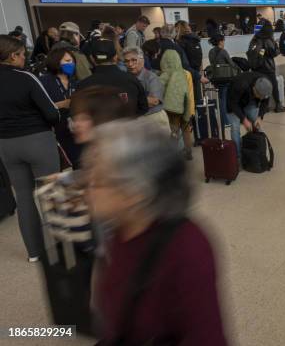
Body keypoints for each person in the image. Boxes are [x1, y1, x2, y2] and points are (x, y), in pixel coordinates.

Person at [84, 119, 227, 345]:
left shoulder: (187, 247)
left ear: (135, 192)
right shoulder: (121, 228)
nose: (87, 184)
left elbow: (207, 336)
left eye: (99, 179)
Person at [0, 35, 60, 261]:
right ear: (12, 56)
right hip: (37, 140)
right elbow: (52, 113)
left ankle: (34, 253)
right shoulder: (26, 78)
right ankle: (58, 251)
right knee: (51, 194)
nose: (25, 59)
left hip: (6, 145)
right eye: (22, 55)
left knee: (24, 197)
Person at [76, 38, 148, 117]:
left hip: (98, 128)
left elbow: (78, 114)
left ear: (92, 59)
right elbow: (143, 108)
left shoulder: (83, 85)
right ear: (115, 57)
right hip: (127, 127)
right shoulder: (132, 80)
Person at [39, 48, 81, 165]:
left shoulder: (74, 81)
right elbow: (39, 106)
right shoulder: (44, 81)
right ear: (56, 62)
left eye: (72, 61)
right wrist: (60, 104)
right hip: (56, 130)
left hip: (76, 128)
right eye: (67, 61)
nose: (71, 63)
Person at [227, 72, 272, 161]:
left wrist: (260, 117)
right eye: (260, 96)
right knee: (235, 128)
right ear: (254, 89)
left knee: (256, 124)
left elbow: (265, 102)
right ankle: (239, 158)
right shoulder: (240, 85)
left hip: (249, 100)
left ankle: (259, 151)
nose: (261, 99)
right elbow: (233, 104)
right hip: (233, 103)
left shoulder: (266, 84)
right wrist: (244, 120)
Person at [159, 50, 195, 160]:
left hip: (172, 109)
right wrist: (191, 110)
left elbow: (160, 92)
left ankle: (173, 155)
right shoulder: (187, 73)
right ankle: (188, 152)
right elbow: (190, 92)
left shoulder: (164, 75)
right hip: (186, 106)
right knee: (186, 130)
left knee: (173, 131)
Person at [123, 47, 170, 133]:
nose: (130, 64)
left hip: (154, 120)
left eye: (134, 60)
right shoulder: (125, 78)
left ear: (142, 61)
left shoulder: (151, 77)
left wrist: (128, 100)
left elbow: (154, 101)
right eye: (126, 61)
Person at [247, 20, 285, 112]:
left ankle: (262, 108)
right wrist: (277, 46)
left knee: (259, 87)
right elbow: (274, 53)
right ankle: (278, 105)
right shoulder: (268, 39)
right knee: (273, 87)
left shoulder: (255, 38)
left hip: (256, 67)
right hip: (267, 67)